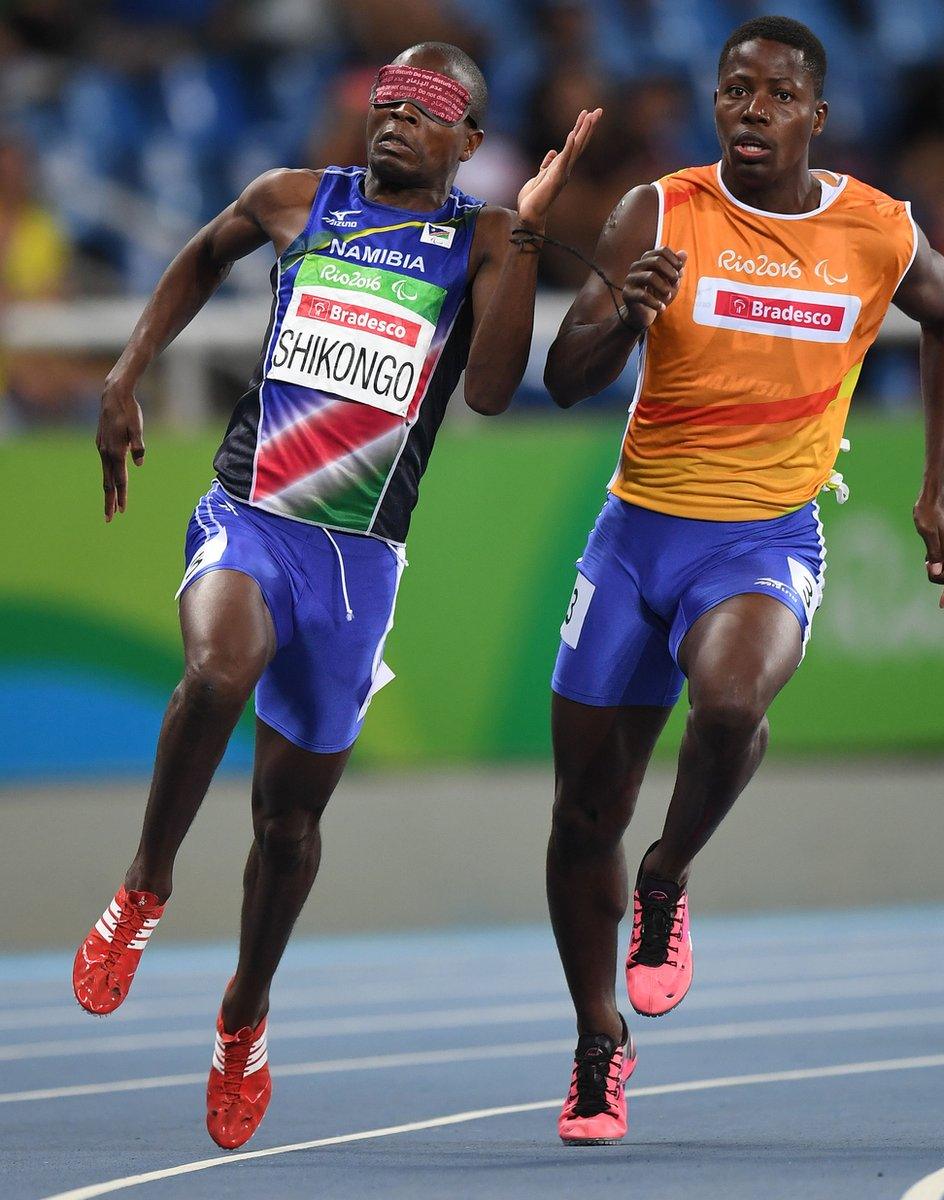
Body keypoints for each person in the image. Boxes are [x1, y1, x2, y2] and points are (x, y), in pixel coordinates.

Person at [72, 41, 600, 1150]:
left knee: (289, 821)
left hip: (357, 562)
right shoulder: (294, 201)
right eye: (387, 99)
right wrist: (125, 373)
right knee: (216, 670)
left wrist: (528, 230)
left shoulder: (478, 239)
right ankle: (143, 889)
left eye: (429, 108)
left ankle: (243, 1015)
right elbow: (201, 254)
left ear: (468, 141)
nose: (397, 117)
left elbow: (497, 391)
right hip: (250, 513)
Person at [542, 15, 944, 1146]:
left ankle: (669, 874)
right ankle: (598, 1046)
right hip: (636, 535)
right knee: (582, 811)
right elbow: (563, 376)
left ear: (814, 117)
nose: (749, 109)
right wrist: (621, 318)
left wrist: (935, 488)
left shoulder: (875, 231)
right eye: (734, 89)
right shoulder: (663, 208)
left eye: (775, 95)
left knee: (731, 703)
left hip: (763, 538)